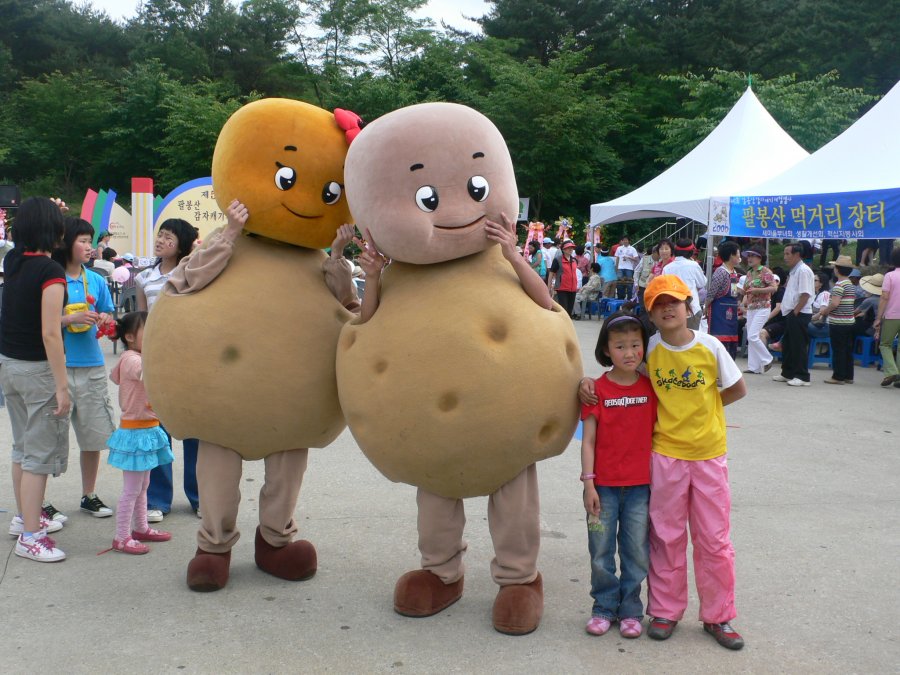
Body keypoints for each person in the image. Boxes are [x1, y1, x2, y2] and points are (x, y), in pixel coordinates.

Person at [638, 275, 747, 650]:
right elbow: (634, 386)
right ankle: (665, 610)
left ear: (689, 307)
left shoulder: (710, 345)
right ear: (651, 314)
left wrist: (707, 412)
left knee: (713, 539)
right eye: (658, 304)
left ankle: (719, 617)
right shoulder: (649, 350)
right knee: (666, 536)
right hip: (665, 455)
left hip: (708, 455)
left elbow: (736, 388)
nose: (668, 309)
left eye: (675, 302)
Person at [0, 197, 71, 562]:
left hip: (9, 366)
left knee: (22, 448)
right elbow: (50, 333)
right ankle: (31, 534)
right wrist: (62, 386)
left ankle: (23, 518)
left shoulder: (13, 262)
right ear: (51, 228)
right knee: (38, 456)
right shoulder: (50, 271)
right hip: (37, 371)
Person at [579, 312, 656, 639]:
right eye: (620, 346)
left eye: (635, 345)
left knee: (636, 551)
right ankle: (603, 607)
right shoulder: (596, 390)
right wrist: (588, 483)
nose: (629, 352)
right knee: (600, 551)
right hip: (603, 489)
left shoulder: (653, 387)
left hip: (641, 488)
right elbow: (589, 440)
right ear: (606, 350)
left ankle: (630, 609)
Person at [43, 217, 116, 523]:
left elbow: (111, 320)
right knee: (48, 438)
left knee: (93, 437)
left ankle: (89, 495)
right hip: (56, 369)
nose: (90, 247)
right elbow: (42, 324)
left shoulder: (96, 280)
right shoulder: (52, 279)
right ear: (66, 243)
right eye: (83, 241)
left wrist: (104, 321)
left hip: (92, 367)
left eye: (90, 241)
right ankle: (41, 500)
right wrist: (66, 320)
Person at [136, 218, 199, 522]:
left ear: (182, 243)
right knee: (157, 431)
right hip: (155, 361)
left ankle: (199, 497)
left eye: (169, 237)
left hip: (188, 360)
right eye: (160, 235)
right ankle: (158, 500)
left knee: (193, 430)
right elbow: (141, 321)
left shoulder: (191, 272)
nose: (161, 240)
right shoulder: (144, 277)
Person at [106, 311, 174, 554]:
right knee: (132, 488)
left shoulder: (132, 357)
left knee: (143, 484)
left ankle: (141, 527)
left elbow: (115, 377)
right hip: (136, 432)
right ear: (130, 336)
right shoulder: (134, 359)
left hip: (146, 428)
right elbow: (147, 374)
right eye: (150, 332)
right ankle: (122, 536)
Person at [773, 243, 814, 386]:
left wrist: (795, 312)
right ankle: (787, 373)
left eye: (787, 254)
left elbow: (805, 294)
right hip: (791, 312)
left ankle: (802, 376)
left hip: (799, 312)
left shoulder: (803, 270)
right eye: (784, 254)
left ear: (797, 255)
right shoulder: (794, 270)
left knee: (799, 345)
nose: (785, 257)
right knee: (789, 344)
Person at [813, 257, 855, 385]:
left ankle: (838, 376)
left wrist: (824, 312)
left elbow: (835, 303)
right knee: (847, 350)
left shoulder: (839, 285)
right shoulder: (850, 284)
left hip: (838, 322)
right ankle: (848, 375)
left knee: (838, 350)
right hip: (849, 321)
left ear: (837, 270)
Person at [740, 248, 776, 374]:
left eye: (753, 256)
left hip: (763, 307)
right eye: (748, 256)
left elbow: (773, 287)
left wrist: (757, 291)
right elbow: (745, 290)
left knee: (752, 335)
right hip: (751, 308)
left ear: (760, 258)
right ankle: (753, 367)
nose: (749, 258)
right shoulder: (749, 273)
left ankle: (767, 359)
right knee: (751, 336)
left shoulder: (765, 271)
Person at [661, 238, 707, 331]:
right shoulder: (693, 265)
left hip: (673, 310)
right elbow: (702, 283)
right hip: (692, 309)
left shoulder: (667, 268)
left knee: (675, 339)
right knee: (692, 340)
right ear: (691, 252)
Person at [707, 241, 741, 357]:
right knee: (719, 343)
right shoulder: (720, 272)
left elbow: (734, 292)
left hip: (731, 313)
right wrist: (706, 308)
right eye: (738, 254)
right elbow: (711, 294)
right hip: (719, 314)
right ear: (731, 256)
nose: (739, 257)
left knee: (731, 343)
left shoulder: (734, 272)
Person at [873, 247, 900, 387]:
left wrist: (878, 317)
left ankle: (891, 371)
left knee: (885, 344)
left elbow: (884, 297)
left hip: (892, 315)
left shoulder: (890, 276)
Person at [547, 239, 579, 317]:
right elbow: (551, 273)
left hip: (573, 288)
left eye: (572, 248)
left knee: (569, 310)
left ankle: (568, 326)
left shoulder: (574, 260)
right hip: (562, 288)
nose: (570, 249)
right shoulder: (557, 260)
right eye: (568, 248)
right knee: (563, 309)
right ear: (563, 249)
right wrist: (549, 287)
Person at [807, 271, 832, 338]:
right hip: (815, 324)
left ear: (821, 283)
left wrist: (808, 319)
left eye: (815, 280)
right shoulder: (815, 294)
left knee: (798, 323)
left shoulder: (825, 294)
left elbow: (822, 313)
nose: (812, 281)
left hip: (823, 327)